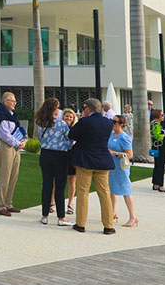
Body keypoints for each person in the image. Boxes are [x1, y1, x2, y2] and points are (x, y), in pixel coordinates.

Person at [67, 98, 116, 235]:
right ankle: (108, 226)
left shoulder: (85, 121)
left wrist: (80, 121)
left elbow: (72, 135)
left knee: (83, 192)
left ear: (88, 108)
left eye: (84, 108)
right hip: (102, 160)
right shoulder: (108, 123)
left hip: (85, 161)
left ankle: (81, 224)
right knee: (104, 193)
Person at [35, 98, 71, 226]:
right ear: (54, 109)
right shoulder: (61, 124)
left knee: (47, 185)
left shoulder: (40, 122)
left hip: (45, 155)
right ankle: (61, 217)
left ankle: (44, 215)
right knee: (60, 187)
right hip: (60, 155)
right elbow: (69, 138)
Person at [0, 92, 25, 216]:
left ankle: (8, 203)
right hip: (6, 146)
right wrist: (17, 143)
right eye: (12, 101)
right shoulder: (1, 115)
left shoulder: (13, 115)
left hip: (16, 147)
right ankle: (0, 205)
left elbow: (17, 130)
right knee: (5, 176)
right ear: (5, 101)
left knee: (13, 176)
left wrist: (21, 142)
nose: (14, 103)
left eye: (15, 101)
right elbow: (4, 134)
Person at [108, 115, 138, 227]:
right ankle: (113, 212)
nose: (112, 123)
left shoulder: (124, 137)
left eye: (115, 121)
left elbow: (130, 155)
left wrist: (115, 153)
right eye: (112, 121)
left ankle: (133, 216)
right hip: (111, 166)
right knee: (112, 188)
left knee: (126, 190)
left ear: (121, 124)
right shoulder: (111, 135)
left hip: (121, 167)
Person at [61, 108, 78, 215]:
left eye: (70, 117)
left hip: (72, 156)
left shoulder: (75, 129)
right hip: (61, 156)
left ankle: (70, 204)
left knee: (72, 180)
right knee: (57, 180)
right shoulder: (59, 127)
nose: (68, 118)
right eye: (67, 116)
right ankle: (52, 202)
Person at [149, 109, 165, 192]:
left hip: (157, 147)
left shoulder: (155, 124)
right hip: (160, 147)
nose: (163, 116)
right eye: (162, 115)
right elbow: (158, 137)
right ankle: (160, 185)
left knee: (157, 166)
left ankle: (156, 183)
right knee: (160, 166)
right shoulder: (156, 125)